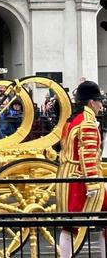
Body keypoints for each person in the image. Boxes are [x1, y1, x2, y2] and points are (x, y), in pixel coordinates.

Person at [56, 80, 107, 258]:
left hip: (68, 177)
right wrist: (93, 183)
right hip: (81, 181)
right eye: (99, 101)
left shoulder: (72, 121)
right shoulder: (87, 123)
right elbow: (88, 155)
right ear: (92, 102)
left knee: (69, 227)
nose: (101, 105)